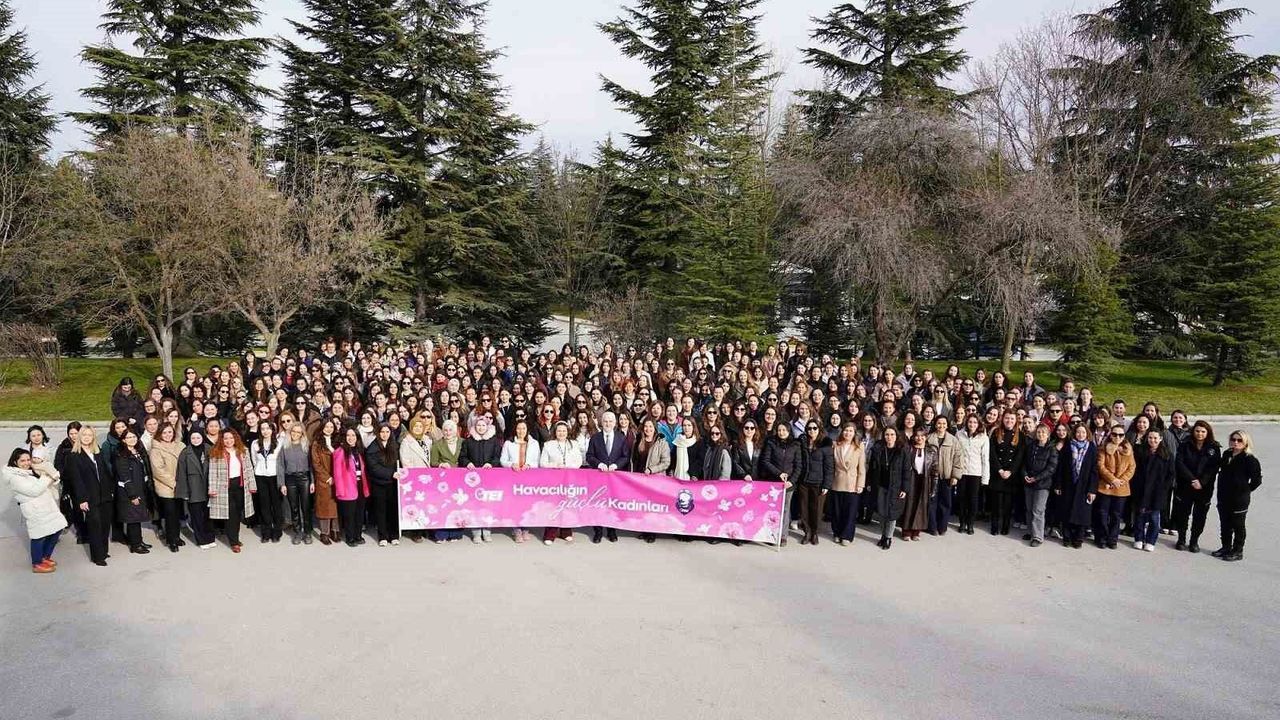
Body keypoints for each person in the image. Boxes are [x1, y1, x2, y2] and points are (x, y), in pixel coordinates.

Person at [5, 448, 67, 573]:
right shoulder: (14, 477)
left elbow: (45, 484)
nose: (26, 463)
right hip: (35, 510)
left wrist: (50, 478)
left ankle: (45, 556)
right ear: (15, 462)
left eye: (28, 459)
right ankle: (37, 563)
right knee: (38, 536)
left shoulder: (29, 472)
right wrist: (47, 477)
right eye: (22, 460)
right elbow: (34, 491)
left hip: (46, 506)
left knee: (57, 528)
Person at [65, 426, 114, 565]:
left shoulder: (97, 452)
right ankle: (97, 556)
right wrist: (82, 499)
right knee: (95, 525)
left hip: (104, 495)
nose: (87, 437)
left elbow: (105, 473)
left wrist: (110, 490)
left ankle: (103, 551)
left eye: (90, 435)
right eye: (84, 435)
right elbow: (76, 480)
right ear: (79, 437)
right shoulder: (73, 456)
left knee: (105, 524)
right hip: (89, 497)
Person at [1214, 430, 1262, 562]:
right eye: (1233, 439)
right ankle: (1226, 547)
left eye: (1239, 440)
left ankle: (1237, 551)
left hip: (1239, 499)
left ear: (1245, 442)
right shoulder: (1227, 454)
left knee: (1238, 525)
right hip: (1223, 496)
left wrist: (1245, 490)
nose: (1235, 442)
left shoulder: (1250, 459)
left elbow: (1257, 480)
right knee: (1225, 524)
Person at [208, 429, 257, 553]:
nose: (229, 441)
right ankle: (234, 541)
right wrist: (212, 488)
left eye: (231, 438)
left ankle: (235, 536)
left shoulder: (243, 450)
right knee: (230, 514)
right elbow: (212, 472)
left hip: (240, 485)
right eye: (226, 438)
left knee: (238, 513)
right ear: (222, 440)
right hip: (225, 487)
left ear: (235, 438)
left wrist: (252, 485)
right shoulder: (216, 452)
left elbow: (249, 468)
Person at [1174, 421, 1219, 553]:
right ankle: (1181, 539)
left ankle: (1194, 541)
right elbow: (1179, 463)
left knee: (1200, 516)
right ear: (1193, 431)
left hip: (1204, 489)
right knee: (1182, 514)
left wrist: (1202, 482)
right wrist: (1192, 479)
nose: (1200, 434)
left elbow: (1213, 467)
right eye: (1197, 431)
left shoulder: (1214, 447)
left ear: (1208, 433)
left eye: (1203, 432)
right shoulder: (1185, 444)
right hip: (1185, 486)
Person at [585, 411, 629, 543]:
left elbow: (625, 456)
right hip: (599, 477)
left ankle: (611, 531)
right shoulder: (595, 438)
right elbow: (589, 456)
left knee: (612, 504)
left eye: (610, 421)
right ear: (601, 422)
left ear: (615, 423)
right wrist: (598, 464)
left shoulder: (621, 438)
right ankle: (598, 532)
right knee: (598, 504)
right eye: (605, 421)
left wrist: (616, 465)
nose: (608, 424)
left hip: (615, 478)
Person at [1055, 423, 1098, 549]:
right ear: (1074, 433)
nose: (1080, 434)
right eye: (1078, 432)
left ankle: (1078, 538)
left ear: (1087, 434)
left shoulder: (1091, 448)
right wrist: (1058, 485)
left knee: (1082, 513)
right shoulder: (1068, 446)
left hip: (1084, 486)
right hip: (1068, 484)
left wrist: (1092, 489)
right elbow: (1061, 467)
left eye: (1083, 432)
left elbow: (1094, 470)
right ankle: (1067, 537)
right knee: (1067, 512)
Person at [541, 421, 584, 544]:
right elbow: (542, 463)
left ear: (567, 432)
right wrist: (555, 465)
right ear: (555, 432)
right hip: (554, 480)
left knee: (568, 505)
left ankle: (566, 532)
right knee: (554, 506)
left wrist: (568, 466)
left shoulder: (574, 444)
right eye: (559, 431)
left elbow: (579, 461)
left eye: (564, 431)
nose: (561, 433)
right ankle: (550, 534)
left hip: (570, 479)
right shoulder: (548, 445)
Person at [462, 415, 502, 543]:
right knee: (474, 505)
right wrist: (467, 463)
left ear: (487, 426)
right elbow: (463, 457)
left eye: (483, 425)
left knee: (487, 505)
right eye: (478, 425)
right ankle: (476, 533)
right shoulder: (468, 441)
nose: (481, 427)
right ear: (474, 426)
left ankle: (487, 531)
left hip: (489, 478)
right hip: (473, 479)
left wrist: (491, 464)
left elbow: (497, 457)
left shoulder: (494, 441)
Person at [1134, 429, 1175, 552]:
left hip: (1158, 491)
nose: (1152, 440)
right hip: (1142, 489)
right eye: (1150, 438)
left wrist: (1164, 488)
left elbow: (1171, 474)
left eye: (1155, 438)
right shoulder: (1141, 452)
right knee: (1140, 516)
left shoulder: (1167, 454)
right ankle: (1139, 538)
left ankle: (1151, 541)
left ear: (1160, 439)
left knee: (1154, 518)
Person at [1094, 425, 1135, 550]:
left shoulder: (1128, 450)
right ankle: (1101, 537)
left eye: (1121, 435)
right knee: (1102, 514)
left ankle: (1112, 539)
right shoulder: (1103, 449)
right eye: (1115, 434)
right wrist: (1112, 479)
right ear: (1111, 435)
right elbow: (1101, 466)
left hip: (1121, 488)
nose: (1118, 437)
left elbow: (1131, 468)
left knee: (1116, 516)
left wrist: (1120, 481)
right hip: (1105, 486)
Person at [113, 429, 154, 555]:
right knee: (133, 518)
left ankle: (139, 541)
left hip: (140, 488)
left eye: (134, 437)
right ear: (123, 440)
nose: (132, 439)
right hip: (130, 492)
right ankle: (135, 545)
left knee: (138, 517)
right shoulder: (121, 455)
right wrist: (133, 495)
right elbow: (124, 476)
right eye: (129, 437)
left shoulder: (138, 451)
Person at [500, 418, 541, 544]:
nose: (521, 431)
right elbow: (503, 460)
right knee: (515, 504)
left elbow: (538, 461)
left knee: (527, 504)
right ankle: (516, 529)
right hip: (513, 477)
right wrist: (511, 464)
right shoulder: (509, 443)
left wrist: (529, 465)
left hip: (528, 478)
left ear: (527, 430)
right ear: (515, 430)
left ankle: (525, 529)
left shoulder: (534, 443)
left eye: (523, 428)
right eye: (518, 428)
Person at [867, 427, 908, 550]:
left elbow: (906, 471)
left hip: (895, 487)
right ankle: (883, 536)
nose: (889, 437)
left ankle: (888, 537)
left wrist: (904, 488)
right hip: (880, 485)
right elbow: (871, 468)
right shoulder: (878, 449)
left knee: (891, 513)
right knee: (881, 512)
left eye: (892, 434)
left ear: (896, 436)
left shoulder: (902, 451)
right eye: (887, 434)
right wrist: (869, 483)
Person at [760, 422, 801, 546]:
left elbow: (798, 466)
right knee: (772, 509)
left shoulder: (795, 445)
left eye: (784, 430)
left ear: (789, 431)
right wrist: (778, 474)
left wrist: (791, 481)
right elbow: (766, 461)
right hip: (773, 482)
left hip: (788, 484)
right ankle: (771, 534)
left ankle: (783, 536)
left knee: (785, 509)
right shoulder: (771, 443)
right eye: (779, 430)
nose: (781, 432)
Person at [175, 429, 214, 550]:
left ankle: (210, 538)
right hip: (194, 488)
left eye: (198, 437)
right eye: (193, 438)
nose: (196, 440)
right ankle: (201, 540)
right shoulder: (185, 453)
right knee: (197, 516)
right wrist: (184, 492)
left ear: (203, 437)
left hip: (208, 487)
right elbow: (181, 474)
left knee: (208, 515)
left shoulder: (209, 449)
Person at [1020, 424, 1059, 547]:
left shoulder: (1052, 449)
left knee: (1038, 510)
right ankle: (1030, 531)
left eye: (1043, 432)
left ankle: (1037, 536)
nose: (1041, 435)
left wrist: (1036, 478)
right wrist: (1025, 474)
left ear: (1048, 435)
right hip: (1028, 482)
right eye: (1039, 432)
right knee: (1029, 508)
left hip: (1042, 484)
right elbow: (1024, 463)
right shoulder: (1031, 446)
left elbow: (1051, 468)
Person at [988, 412, 1025, 536]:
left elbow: (1020, 456)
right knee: (996, 503)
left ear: (1016, 420)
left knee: (1008, 504)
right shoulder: (996, 433)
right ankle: (994, 526)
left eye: (1012, 418)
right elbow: (992, 453)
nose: (1009, 421)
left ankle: (1005, 526)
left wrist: (1011, 471)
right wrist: (999, 469)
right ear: (1003, 419)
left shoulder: (1020, 435)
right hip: (997, 472)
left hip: (1011, 474)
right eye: (1007, 418)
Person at [148, 424, 184, 552]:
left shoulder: (180, 445)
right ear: (160, 434)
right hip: (166, 486)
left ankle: (177, 536)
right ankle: (171, 540)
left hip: (180, 485)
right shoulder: (156, 449)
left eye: (170, 432)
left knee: (178, 513)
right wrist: (174, 483)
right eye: (164, 433)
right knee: (170, 514)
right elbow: (158, 471)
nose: (168, 435)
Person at [795, 422, 832, 545]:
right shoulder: (802, 443)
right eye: (809, 428)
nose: (812, 430)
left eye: (814, 428)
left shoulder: (825, 445)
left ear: (819, 429)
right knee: (803, 509)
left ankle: (815, 533)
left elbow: (829, 467)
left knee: (816, 510)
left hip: (818, 482)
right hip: (804, 481)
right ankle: (807, 532)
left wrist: (826, 485)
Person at [277, 422, 314, 545]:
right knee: (294, 508)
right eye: (293, 431)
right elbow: (281, 465)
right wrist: (282, 484)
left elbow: (311, 465)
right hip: (290, 479)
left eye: (298, 432)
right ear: (290, 432)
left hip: (304, 478)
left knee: (306, 507)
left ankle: (307, 532)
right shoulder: (285, 446)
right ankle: (297, 532)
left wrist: (312, 481)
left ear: (302, 434)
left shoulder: (306, 446)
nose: (295, 434)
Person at [926, 416, 963, 535]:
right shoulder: (929, 439)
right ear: (935, 424)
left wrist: (955, 476)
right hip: (932, 477)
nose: (941, 426)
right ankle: (932, 527)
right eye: (939, 423)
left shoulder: (953, 440)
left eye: (943, 423)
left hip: (947, 477)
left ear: (947, 425)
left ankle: (942, 527)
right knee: (932, 502)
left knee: (945, 503)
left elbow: (958, 459)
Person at [333, 427, 369, 547]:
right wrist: (340, 490)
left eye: (353, 435)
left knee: (360, 513)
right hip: (347, 486)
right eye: (348, 435)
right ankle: (350, 537)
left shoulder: (360, 450)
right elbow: (337, 473)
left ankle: (358, 535)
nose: (351, 438)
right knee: (350, 515)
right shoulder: (340, 452)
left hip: (360, 485)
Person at [365, 424, 401, 546]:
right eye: (382, 432)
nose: (385, 434)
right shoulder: (372, 448)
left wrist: (396, 473)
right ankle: (382, 536)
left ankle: (394, 535)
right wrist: (391, 473)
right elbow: (374, 468)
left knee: (393, 509)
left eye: (387, 432)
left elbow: (398, 463)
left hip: (393, 483)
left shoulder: (395, 445)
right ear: (378, 433)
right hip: (378, 483)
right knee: (381, 511)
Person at [398, 416, 432, 543]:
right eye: (415, 426)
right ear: (411, 427)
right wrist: (415, 475)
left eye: (420, 426)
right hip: (414, 478)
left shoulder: (427, 440)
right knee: (415, 505)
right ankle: (415, 532)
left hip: (427, 477)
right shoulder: (406, 442)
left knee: (425, 504)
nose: (418, 428)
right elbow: (405, 461)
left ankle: (424, 528)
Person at [830, 423, 865, 545]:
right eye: (846, 430)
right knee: (837, 510)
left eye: (850, 431)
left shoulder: (859, 447)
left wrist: (860, 484)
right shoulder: (836, 445)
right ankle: (837, 532)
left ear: (854, 433)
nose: (848, 433)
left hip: (852, 483)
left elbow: (862, 467)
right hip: (837, 481)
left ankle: (847, 535)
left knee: (850, 512)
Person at [429, 420, 464, 543]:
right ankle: (441, 534)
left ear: (455, 431)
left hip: (460, 479)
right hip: (443, 481)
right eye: (445, 430)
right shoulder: (437, 444)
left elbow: (466, 457)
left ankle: (455, 533)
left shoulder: (462, 442)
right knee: (444, 506)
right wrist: (441, 464)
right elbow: (433, 462)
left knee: (457, 505)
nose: (448, 432)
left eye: (450, 430)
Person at [899, 429, 937, 541]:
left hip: (925, 480)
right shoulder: (908, 449)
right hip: (911, 479)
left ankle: (916, 531)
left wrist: (933, 488)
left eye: (922, 436)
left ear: (926, 437)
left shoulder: (931, 451)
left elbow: (935, 471)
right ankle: (906, 531)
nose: (919, 438)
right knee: (908, 505)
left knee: (921, 506)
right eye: (917, 436)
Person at [250, 422, 283, 543]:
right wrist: (259, 469)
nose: (265, 431)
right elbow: (254, 460)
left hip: (275, 476)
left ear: (272, 430)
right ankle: (266, 532)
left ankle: (277, 531)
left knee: (276, 505)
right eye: (262, 429)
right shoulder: (255, 443)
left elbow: (281, 461)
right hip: (260, 476)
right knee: (264, 505)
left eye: (268, 428)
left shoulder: (279, 443)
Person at [311, 420, 339, 545]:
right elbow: (316, 463)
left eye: (331, 426)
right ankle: (324, 533)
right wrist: (327, 477)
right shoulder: (317, 443)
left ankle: (335, 530)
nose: (329, 429)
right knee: (324, 506)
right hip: (324, 478)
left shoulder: (337, 441)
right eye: (326, 426)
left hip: (338, 478)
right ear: (322, 427)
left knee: (336, 505)